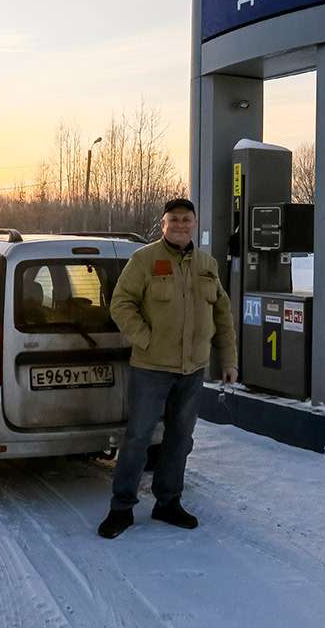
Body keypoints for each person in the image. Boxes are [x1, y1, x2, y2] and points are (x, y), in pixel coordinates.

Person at [98, 197, 237, 539]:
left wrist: (229, 360)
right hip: (151, 367)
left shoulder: (207, 264)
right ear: (163, 224)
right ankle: (121, 508)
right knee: (138, 438)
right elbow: (121, 303)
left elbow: (222, 313)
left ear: (194, 223)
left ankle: (168, 503)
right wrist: (144, 339)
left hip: (192, 370)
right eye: (173, 220)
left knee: (180, 438)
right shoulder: (144, 260)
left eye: (186, 220)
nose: (180, 225)